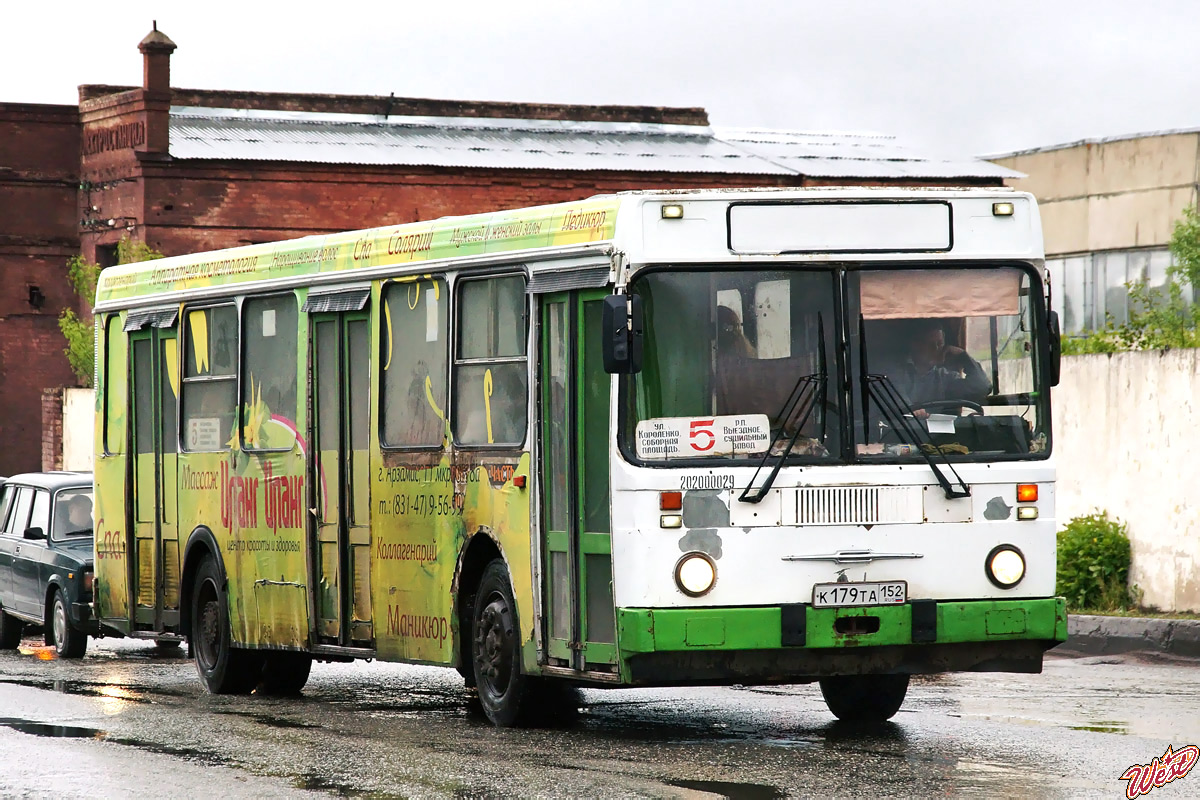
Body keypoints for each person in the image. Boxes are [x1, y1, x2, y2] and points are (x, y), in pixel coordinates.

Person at [893, 320, 990, 417]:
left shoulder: (945, 377)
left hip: (938, 430)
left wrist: (964, 357)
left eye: (940, 344)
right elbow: (900, 406)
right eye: (930, 345)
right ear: (915, 345)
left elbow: (982, 387)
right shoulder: (895, 372)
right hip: (904, 430)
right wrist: (912, 412)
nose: (936, 349)